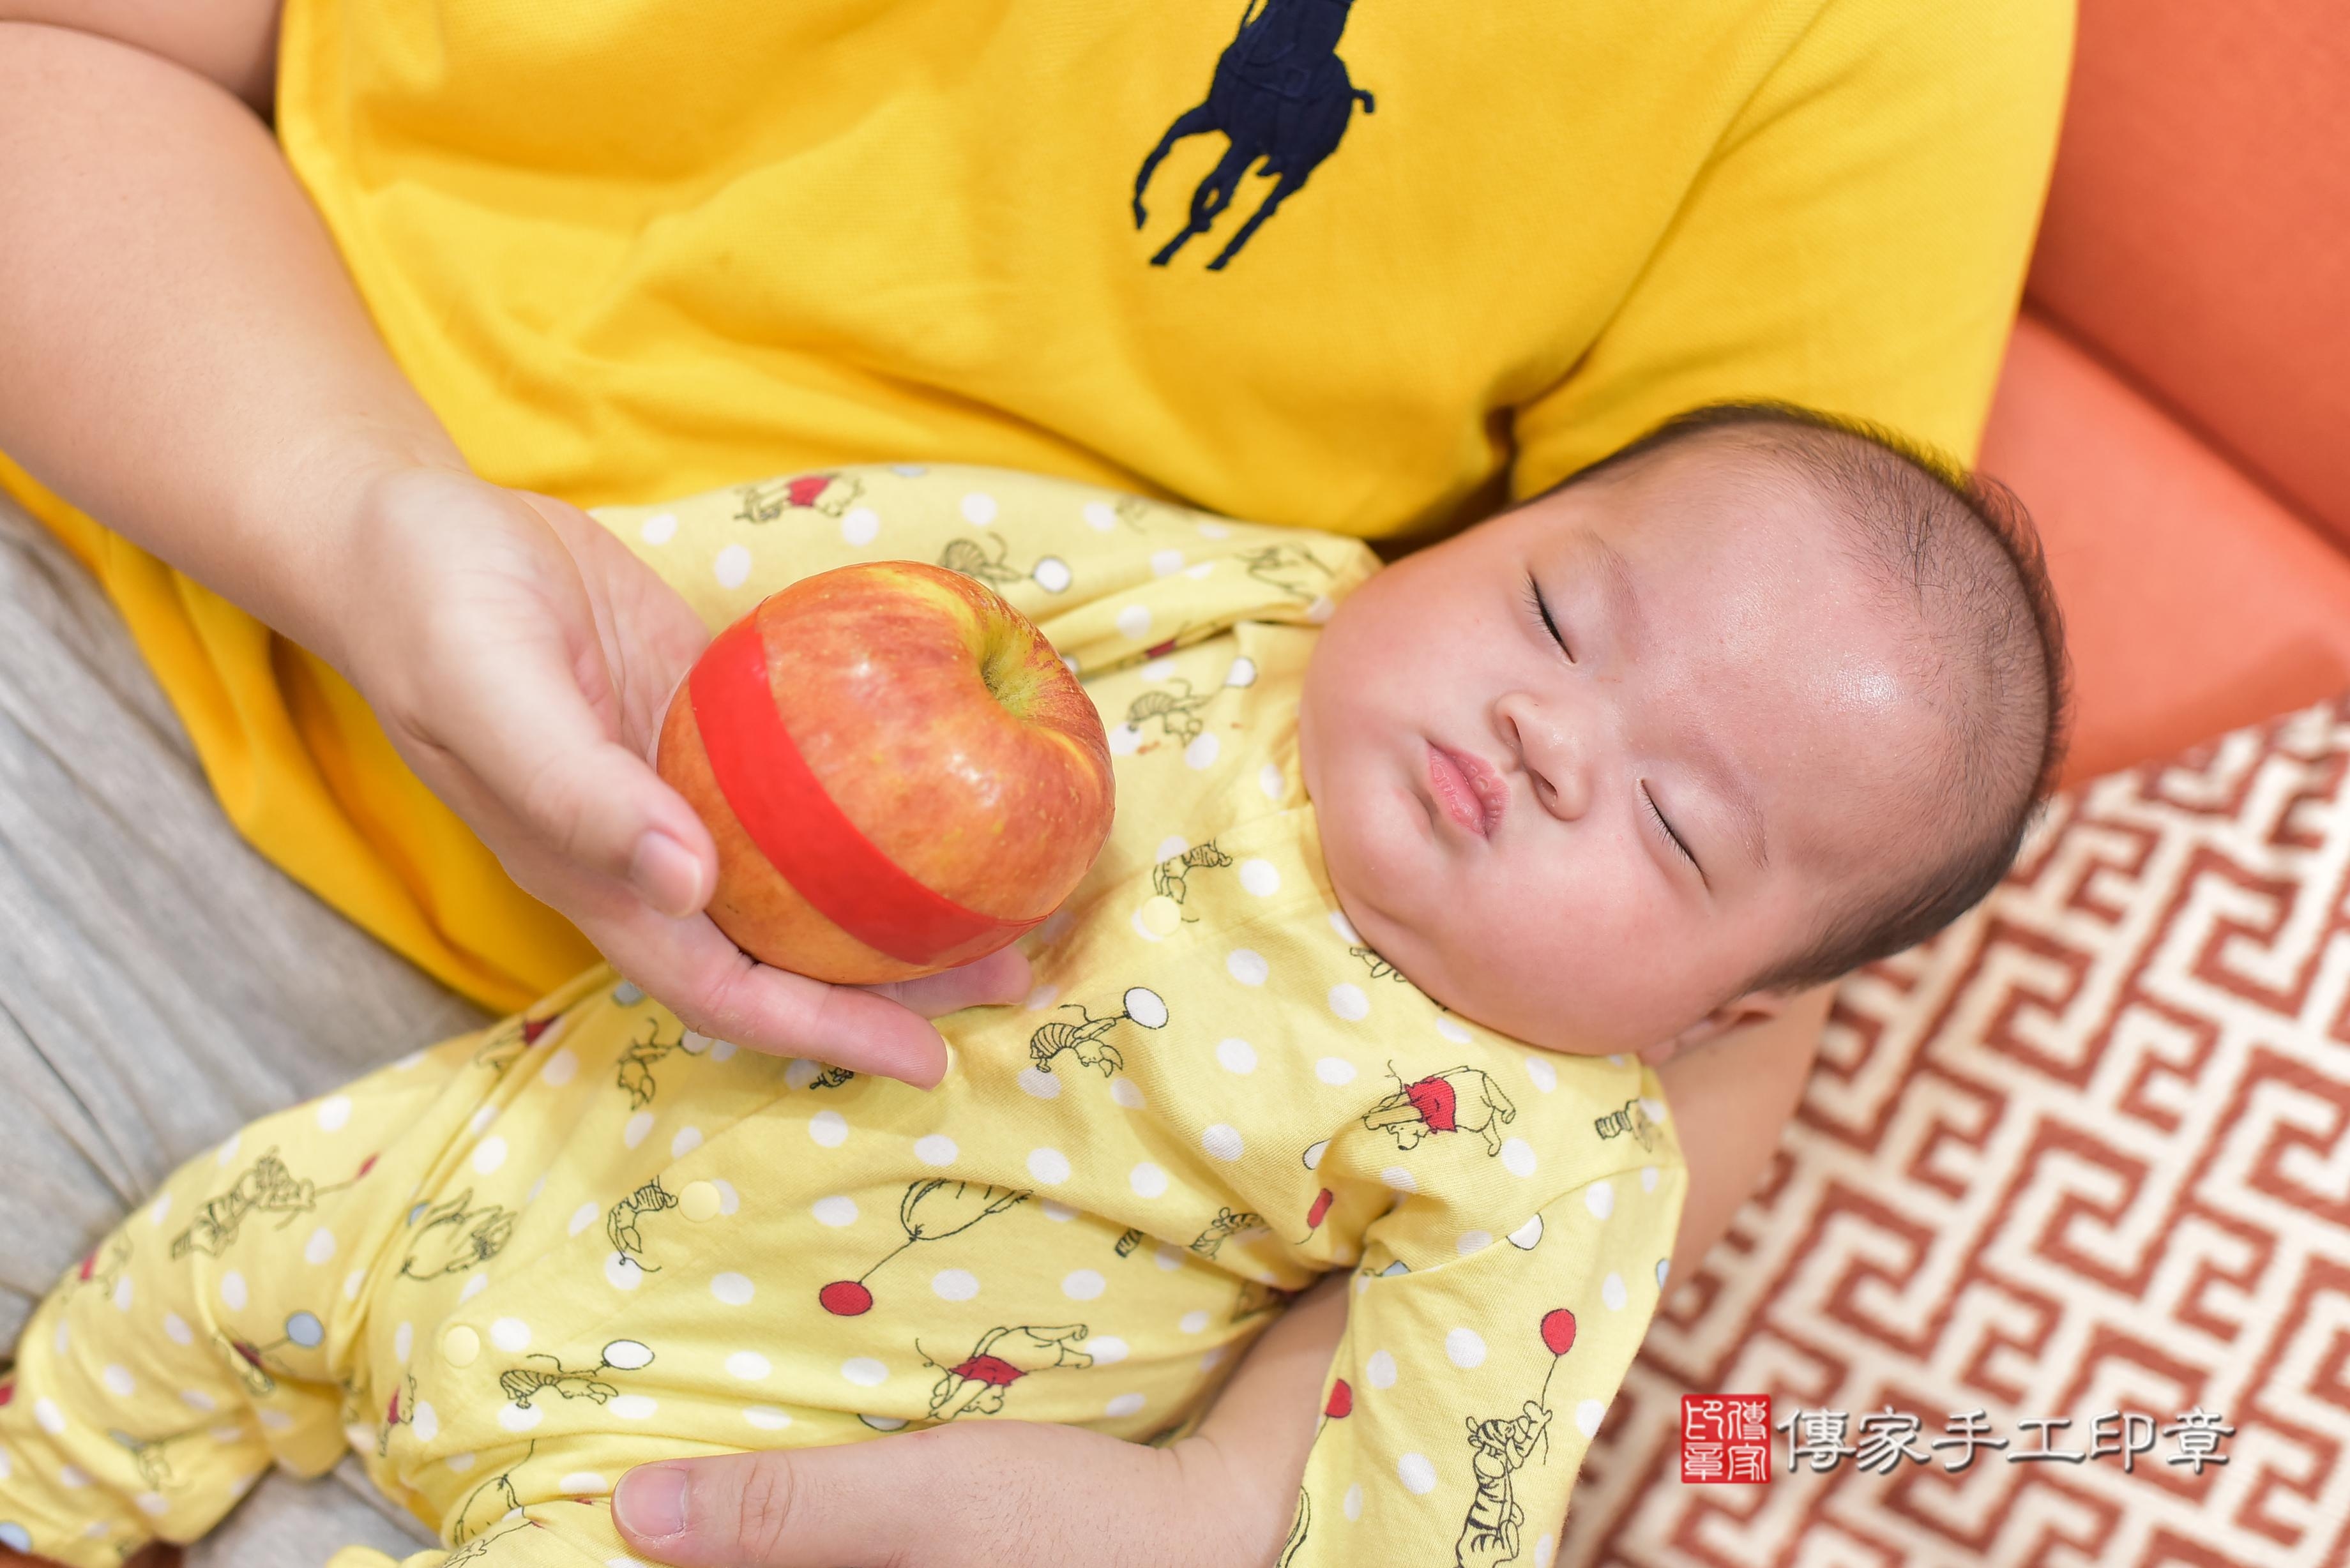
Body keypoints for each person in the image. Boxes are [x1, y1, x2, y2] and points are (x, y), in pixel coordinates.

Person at [0, 0, 2069, 1561]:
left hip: (766, 1425)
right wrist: (459, 558)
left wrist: (1207, 1511)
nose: (1550, 729)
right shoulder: (1246, 616)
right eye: (1546, 621)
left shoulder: (1548, 1154)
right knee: (188, 1293)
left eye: (1672, 819)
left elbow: (1440, 1488)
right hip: (383, 978)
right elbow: (892, 545)